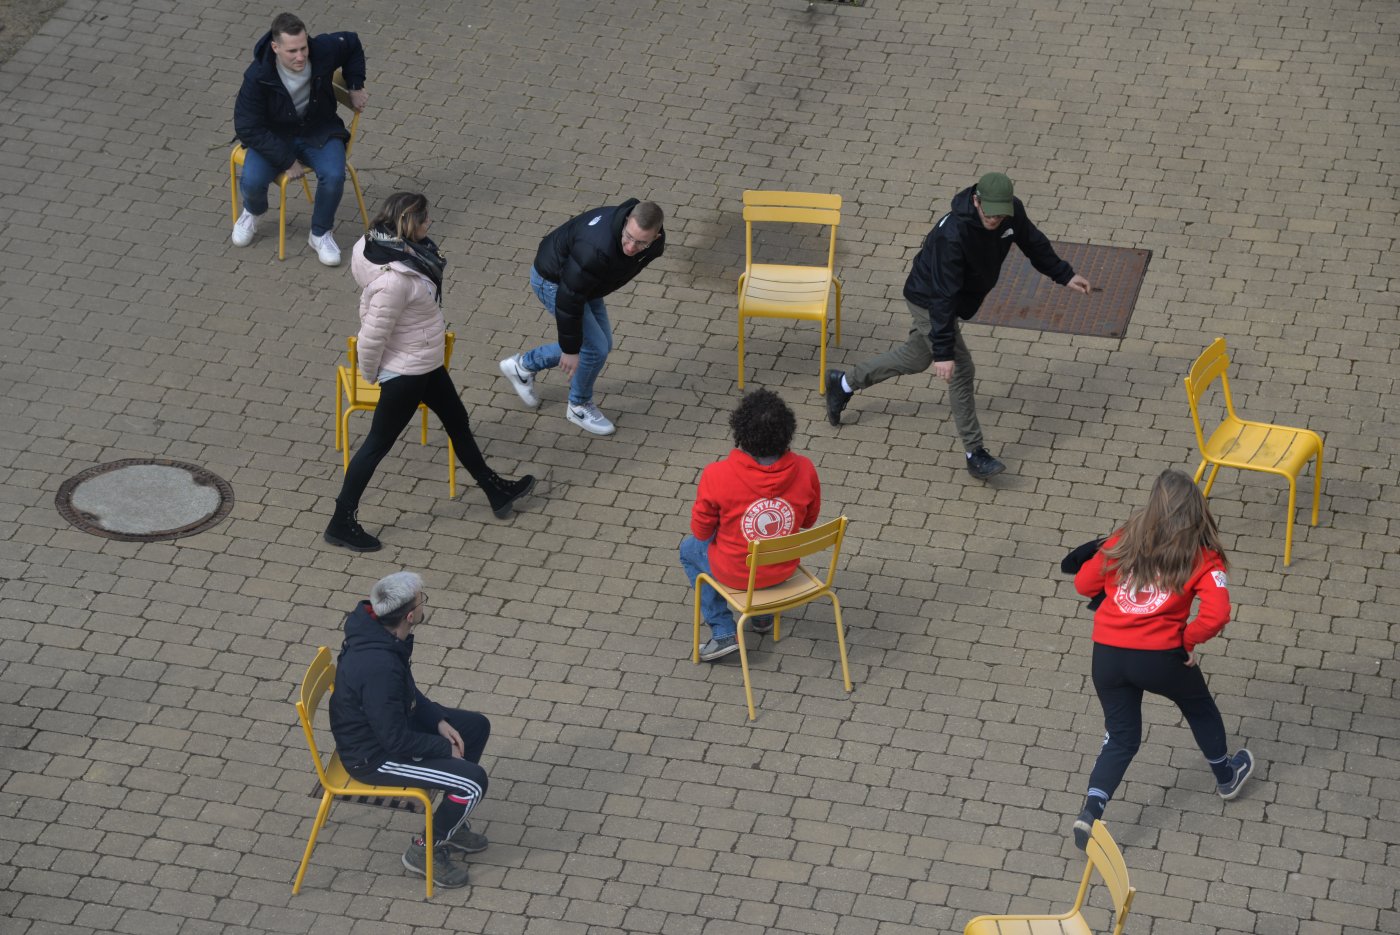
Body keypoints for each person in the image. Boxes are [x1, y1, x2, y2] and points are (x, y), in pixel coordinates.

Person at [824, 173, 1092, 479]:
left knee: (915, 358)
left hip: (951, 300)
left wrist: (1064, 274)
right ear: (976, 201)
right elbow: (942, 295)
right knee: (961, 369)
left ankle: (843, 382)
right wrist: (944, 352)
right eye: (989, 212)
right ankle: (974, 453)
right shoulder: (952, 234)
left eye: (1000, 213)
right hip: (929, 299)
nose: (994, 219)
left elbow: (1033, 242)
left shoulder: (1009, 213)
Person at [325, 192, 535, 552]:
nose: (430, 224)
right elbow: (371, 337)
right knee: (377, 445)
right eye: (425, 221)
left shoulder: (375, 242)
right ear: (408, 225)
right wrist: (372, 375)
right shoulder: (395, 281)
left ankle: (494, 490)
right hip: (406, 373)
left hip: (424, 362)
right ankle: (341, 522)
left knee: (458, 421)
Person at [1069, 470, 1255, 850]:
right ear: (1198, 512)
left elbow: (1083, 585)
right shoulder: (1204, 557)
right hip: (1160, 657)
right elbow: (1217, 614)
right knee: (1198, 707)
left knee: (1120, 737)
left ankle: (1091, 811)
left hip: (1107, 656)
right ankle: (1226, 776)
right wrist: (1188, 639)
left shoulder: (1124, 539)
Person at [328, 572, 490, 890]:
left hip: (388, 727)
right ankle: (424, 850)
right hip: (373, 756)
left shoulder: (378, 634)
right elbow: (394, 740)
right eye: (421, 600)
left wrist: (439, 723)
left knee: (474, 727)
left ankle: (450, 822)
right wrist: (444, 749)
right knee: (473, 783)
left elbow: (407, 692)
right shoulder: (379, 665)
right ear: (411, 616)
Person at [497, 199, 666, 436]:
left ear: (655, 237)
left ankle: (523, 367)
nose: (630, 247)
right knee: (594, 348)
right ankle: (578, 406)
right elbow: (568, 299)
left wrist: (575, 348)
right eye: (628, 237)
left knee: (601, 345)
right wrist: (570, 349)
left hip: (587, 284)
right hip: (555, 282)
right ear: (627, 221)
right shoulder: (596, 249)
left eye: (640, 243)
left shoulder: (653, 247)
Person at [680, 389, 821, 661]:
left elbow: (701, 532)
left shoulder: (716, 475)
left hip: (738, 574)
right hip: (783, 570)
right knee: (764, 550)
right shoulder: (805, 468)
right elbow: (809, 521)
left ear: (740, 432)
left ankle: (722, 632)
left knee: (689, 549)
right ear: (787, 432)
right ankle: (762, 617)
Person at [232, 12, 368, 265]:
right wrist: (286, 160)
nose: (301, 56)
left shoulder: (323, 49)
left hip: (319, 130)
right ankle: (254, 211)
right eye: (292, 51)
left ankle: (320, 233)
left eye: (304, 48)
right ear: (275, 47)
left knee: (334, 175)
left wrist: (355, 84)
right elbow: (247, 126)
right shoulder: (258, 76)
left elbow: (352, 43)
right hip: (275, 137)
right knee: (251, 182)